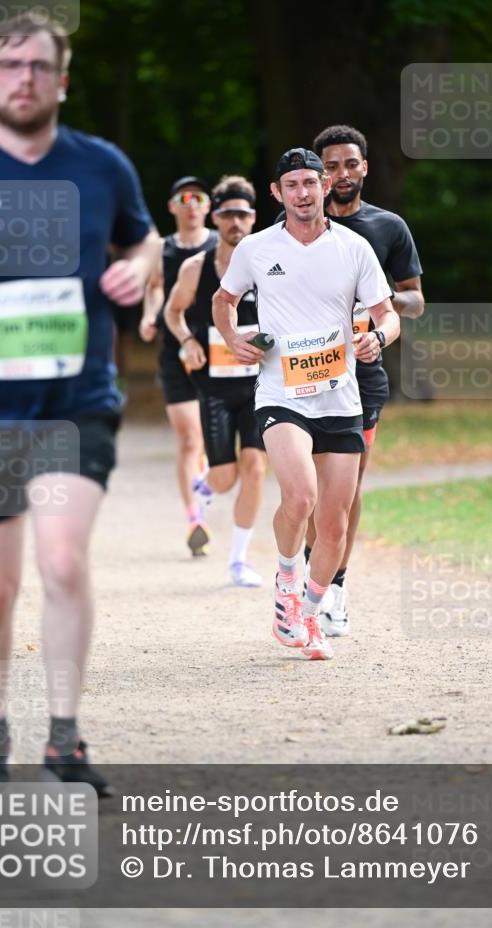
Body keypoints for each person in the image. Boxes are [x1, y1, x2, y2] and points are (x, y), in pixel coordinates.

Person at [0, 12, 159, 795]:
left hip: (75, 401)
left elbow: (144, 238)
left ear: (61, 79)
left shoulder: (101, 166)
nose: (24, 77)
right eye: (9, 64)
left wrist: (141, 271)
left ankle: (65, 736)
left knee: (61, 558)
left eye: (39, 66)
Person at [213, 148, 399, 660]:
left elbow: (388, 313)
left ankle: (310, 614)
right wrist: (232, 339)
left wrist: (377, 339)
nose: (302, 193)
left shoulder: (355, 248)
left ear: (324, 187)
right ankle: (286, 583)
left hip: (340, 394)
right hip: (281, 391)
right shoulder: (255, 248)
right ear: (277, 193)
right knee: (300, 498)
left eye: (310, 183)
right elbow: (223, 300)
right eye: (291, 184)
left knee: (336, 523)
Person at [304, 124, 424, 636]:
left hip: (364, 375)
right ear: (318, 174)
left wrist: (375, 303)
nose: (342, 173)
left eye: (350, 164)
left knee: (347, 487)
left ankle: (335, 588)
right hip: (304, 373)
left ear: (365, 168)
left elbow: (415, 299)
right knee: (307, 488)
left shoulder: (389, 227)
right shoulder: (295, 225)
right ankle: (307, 575)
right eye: (330, 166)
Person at [164, 176, 266, 587]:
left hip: (262, 386)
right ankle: (204, 485)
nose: (235, 221)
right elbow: (172, 312)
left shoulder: (271, 265)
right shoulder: (196, 268)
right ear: (216, 218)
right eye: (227, 214)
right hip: (216, 390)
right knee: (224, 479)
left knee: (255, 468)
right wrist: (187, 340)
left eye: (243, 213)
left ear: (254, 218)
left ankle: (238, 561)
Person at [140, 176, 218, 557]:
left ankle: (204, 484)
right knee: (190, 439)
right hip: (175, 351)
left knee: (210, 440)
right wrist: (149, 314)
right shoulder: (162, 248)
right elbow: (153, 286)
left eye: (198, 197)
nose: (191, 204)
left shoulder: (221, 244)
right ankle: (194, 519)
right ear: (172, 207)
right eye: (183, 198)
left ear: (208, 206)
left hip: (220, 353)